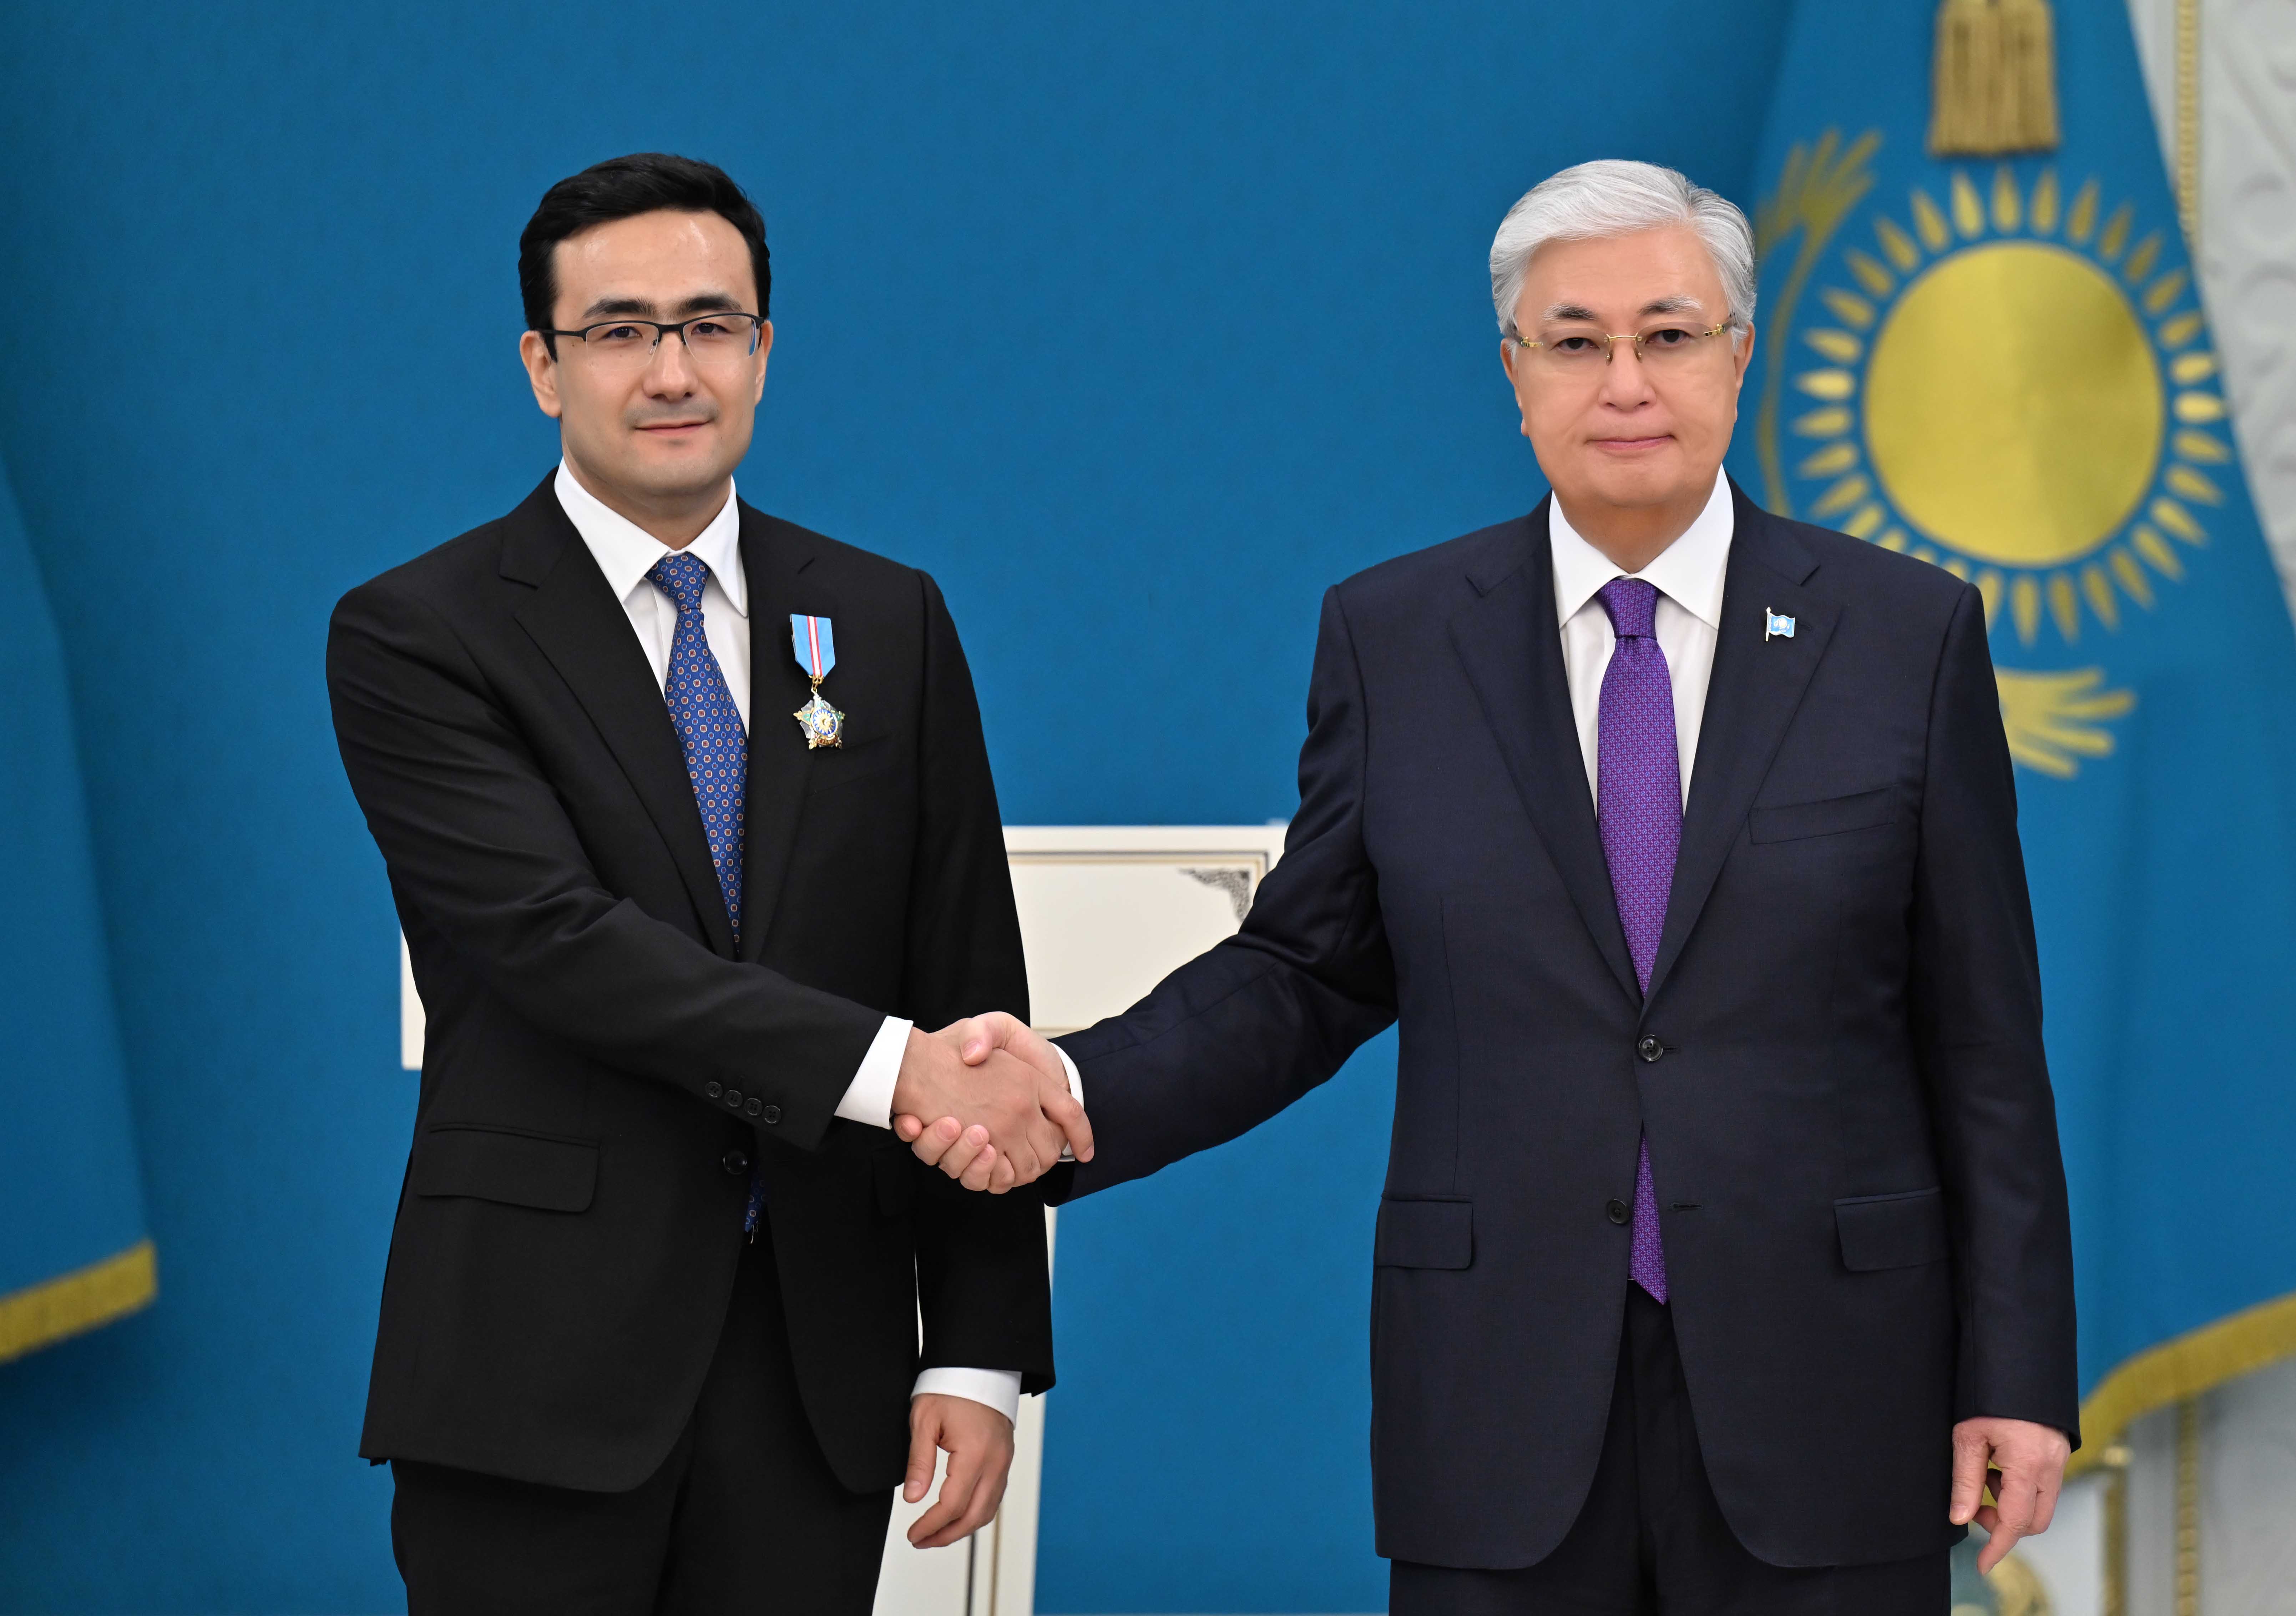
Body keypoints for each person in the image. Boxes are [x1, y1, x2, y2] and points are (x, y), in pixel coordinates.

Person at [908, 160, 2078, 1613]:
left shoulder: (1904, 635)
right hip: (1501, 1393)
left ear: (1738, 355)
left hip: (1830, 1385)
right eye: (1574, 341)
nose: (1624, 381)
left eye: (1667, 335)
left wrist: (2015, 1370)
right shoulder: (1398, 638)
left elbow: (1982, 1042)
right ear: (1515, 375)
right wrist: (1075, 1088)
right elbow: (1306, 971)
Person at [327, 152, 1091, 1615]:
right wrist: (896, 1070)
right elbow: (558, 944)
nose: (672, 370)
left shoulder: (887, 619)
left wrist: (978, 1347)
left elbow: (965, 980)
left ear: (763, 349)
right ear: (544, 366)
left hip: (818, 1367)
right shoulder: (420, 632)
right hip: (534, 1367)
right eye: (620, 330)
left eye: (709, 325)